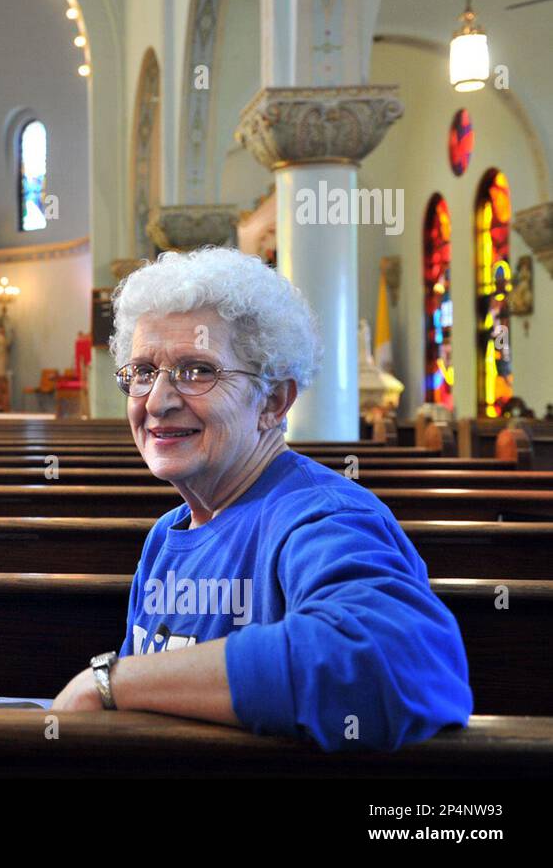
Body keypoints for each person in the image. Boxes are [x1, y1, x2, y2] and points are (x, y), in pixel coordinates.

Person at [50, 247, 472, 751]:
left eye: (196, 371)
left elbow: (401, 663)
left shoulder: (324, 519)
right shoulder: (167, 535)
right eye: (142, 372)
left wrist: (110, 683)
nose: (158, 401)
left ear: (273, 401)